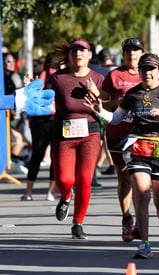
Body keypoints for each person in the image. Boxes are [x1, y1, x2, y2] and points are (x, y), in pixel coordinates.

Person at [84, 53, 159, 259]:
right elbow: (115, 119)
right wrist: (99, 111)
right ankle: (145, 243)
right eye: (143, 69)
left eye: (151, 69)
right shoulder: (132, 94)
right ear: (139, 72)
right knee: (141, 193)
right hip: (137, 147)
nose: (147, 73)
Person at [48, 38, 104, 239]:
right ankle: (66, 195)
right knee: (64, 179)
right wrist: (32, 89)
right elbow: (44, 98)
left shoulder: (98, 78)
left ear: (89, 55)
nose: (78, 54)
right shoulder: (57, 78)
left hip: (90, 133)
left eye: (82, 51)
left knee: (85, 180)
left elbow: (109, 106)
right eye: (74, 51)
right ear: (69, 56)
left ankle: (78, 223)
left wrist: (98, 95)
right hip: (64, 133)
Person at [100, 38, 144, 242]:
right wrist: (115, 103)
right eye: (128, 51)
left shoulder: (149, 74)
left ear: (142, 54)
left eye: (136, 51)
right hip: (118, 133)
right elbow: (101, 103)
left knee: (140, 178)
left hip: (141, 134)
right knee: (124, 178)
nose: (132, 55)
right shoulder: (114, 75)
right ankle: (127, 217)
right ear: (123, 55)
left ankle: (142, 220)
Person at [21, 52, 59, 201]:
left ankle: (28, 192)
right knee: (55, 157)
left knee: (36, 156)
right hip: (55, 119)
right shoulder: (58, 78)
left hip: (38, 122)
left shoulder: (38, 78)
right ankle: (50, 192)